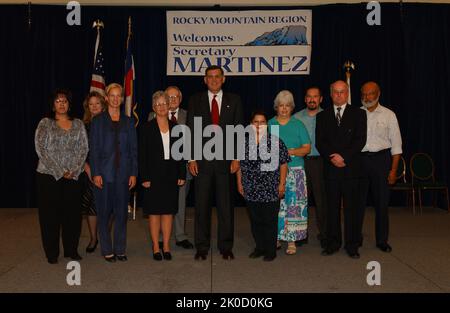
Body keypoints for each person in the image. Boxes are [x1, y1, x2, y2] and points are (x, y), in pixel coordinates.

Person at [187, 65, 244, 261]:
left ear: (223, 78)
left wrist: (237, 157)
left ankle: (226, 247)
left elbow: (238, 130)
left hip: (225, 163)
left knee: (225, 207)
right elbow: (190, 131)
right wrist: (191, 158)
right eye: (209, 77)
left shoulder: (234, 100)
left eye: (217, 76)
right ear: (204, 79)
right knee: (201, 207)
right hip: (201, 163)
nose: (213, 80)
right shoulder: (195, 100)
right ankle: (201, 247)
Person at [35, 88, 88, 264]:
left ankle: (71, 250)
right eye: (58, 101)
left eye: (64, 101)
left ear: (69, 104)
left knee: (72, 216)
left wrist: (72, 170)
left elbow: (84, 148)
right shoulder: (45, 123)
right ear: (52, 104)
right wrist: (60, 171)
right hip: (49, 177)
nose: (62, 104)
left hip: (73, 176)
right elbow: (41, 149)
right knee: (50, 216)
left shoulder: (79, 124)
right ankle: (52, 253)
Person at [316, 80, 367, 259]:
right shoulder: (322, 116)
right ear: (330, 94)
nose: (339, 95)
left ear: (347, 93)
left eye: (342, 92)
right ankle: (333, 243)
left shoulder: (359, 114)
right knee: (331, 208)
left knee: (352, 209)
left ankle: (352, 245)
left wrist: (343, 157)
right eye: (335, 92)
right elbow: (320, 142)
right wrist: (333, 157)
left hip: (351, 168)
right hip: (331, 168)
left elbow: (360, 140)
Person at [89, 83, 138, 263]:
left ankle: (120, 249)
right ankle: (107, 249)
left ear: (122, 99)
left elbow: (134, 149)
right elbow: (93, 149)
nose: (116, 99)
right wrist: (96, 173)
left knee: (121, 214)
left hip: (124, 174)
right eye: (113, 95)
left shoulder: (129, 120)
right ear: (107, 98)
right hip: (104, 173)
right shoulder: (98, 121)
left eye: (119, 96)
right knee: (103, 213)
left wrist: (133, 173)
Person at [237, 110, 290, 261]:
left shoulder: (276, 141)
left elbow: (283, 164)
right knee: (255, 221)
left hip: (271, 189)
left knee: (270, 221)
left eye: (262, 122)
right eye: (256, 122)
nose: (259, 125)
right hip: (250, 188)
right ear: (250, 124)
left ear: (267, 125)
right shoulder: (244, 142)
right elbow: (239, 165)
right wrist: (239, 183)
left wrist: (282, 184)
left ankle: (270, 250)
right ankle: (259, 247)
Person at [140, 91, 186, 261]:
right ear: (154, 107)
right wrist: (144, 177)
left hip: (171, 175)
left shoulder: (177, 128)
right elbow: (142, 155)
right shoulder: (146, 128)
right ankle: (155, 246)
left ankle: (166, 246)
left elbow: (181, 154)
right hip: (152, 176)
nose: (161, 107)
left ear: (169, 106)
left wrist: (181, 173)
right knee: (154, 213)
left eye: (164, 103)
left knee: (168, 212)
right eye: (158, 104)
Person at [148, 86, 194, 250]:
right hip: (158, 171)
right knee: (159, 205)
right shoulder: (152, 116)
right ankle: (160, 238)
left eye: (175, 97)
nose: (172, 100)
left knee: (179, 203)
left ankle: (180, 235)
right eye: (169, 96)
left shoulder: (188, 116)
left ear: (180, 99)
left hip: (181, 169)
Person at [359, 81, 402, 253]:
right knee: (357, 203)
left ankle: (382, 240)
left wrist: (393, 170)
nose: (367, 97)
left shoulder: (389, 115)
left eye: (371, 93)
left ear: (378, 94)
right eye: (364, 94)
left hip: (381, 161)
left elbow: (397, 145)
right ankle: (356, 238)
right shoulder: (356, 114)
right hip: (360, 161)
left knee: (382, 204)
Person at [268, 90, 311, 256]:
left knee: (293, 207)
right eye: (281, 106)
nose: (284, 109)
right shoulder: (270, 125)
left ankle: (291, 240)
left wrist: (289, 152)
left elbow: (306, 148)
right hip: (274, 173)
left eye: (287, 106)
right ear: (276, 108)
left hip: (296, 173)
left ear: (292, 108)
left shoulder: (298, 125)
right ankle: (276, 237)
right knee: (276, 207)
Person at [293, 86, 328, 248]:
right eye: (309, 96)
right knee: (301, 200)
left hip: (321, 162)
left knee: (322, 200)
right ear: (305, 99)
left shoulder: (328, 116)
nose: (312, 99)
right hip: (301, 162)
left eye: (315, 96)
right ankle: (300, 234)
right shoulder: (296, 118)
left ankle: (325, 234)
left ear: (321, 99)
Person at [81, 91, 106, 253]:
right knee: (92, 206)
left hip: (108, 169)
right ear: (87, 107)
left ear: (103, 105)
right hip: (88, 169)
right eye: (91, 104)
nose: (95, 106)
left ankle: (104, 237)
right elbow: (79, 150)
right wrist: (88, 169)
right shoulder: (82, 126)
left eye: (97, 103)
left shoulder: (110, 123)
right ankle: (93, 238)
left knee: (107, 206)